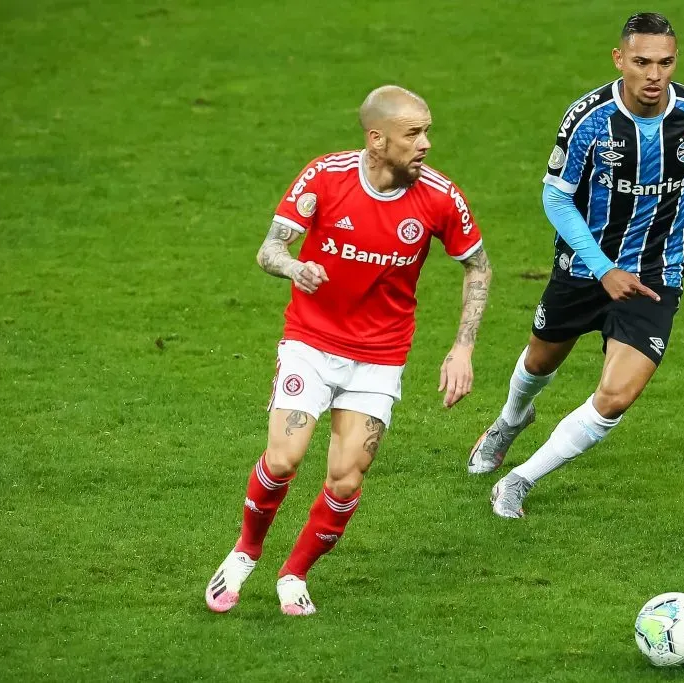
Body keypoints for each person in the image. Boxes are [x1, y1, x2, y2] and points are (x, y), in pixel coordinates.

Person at [205, 85, 491, 615]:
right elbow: (270, 248)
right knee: (284, 458)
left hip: (380, 356)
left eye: (427, 130)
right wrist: (294, 267)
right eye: (414, 133)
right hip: (311, 342)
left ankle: (294, 574)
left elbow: (477, 265)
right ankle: (246, 550)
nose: (426, 143)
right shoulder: (326, 177)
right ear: (377, 139)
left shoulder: (439, 197)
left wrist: (463, 346)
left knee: (346, 476)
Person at [467, 12, 684, 518]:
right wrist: (603, 267)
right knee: (541, 361)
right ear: (619, 59)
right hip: (586, 267)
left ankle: (519, 480)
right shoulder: (588, 120)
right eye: (642, 62)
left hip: (658, 270)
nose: (654, 75)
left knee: (616, 396)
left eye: (665, 63)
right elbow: (556, 197)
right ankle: (509, 420)